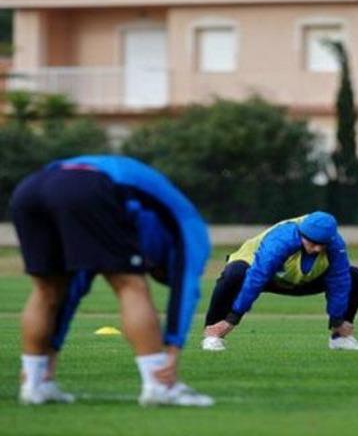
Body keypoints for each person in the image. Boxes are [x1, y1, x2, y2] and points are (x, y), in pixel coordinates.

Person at [11, 155, 214, 406]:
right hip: (86, 186)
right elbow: (187, 289)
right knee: (131, 284)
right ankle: (160, 385)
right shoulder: (190, 225)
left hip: (31, 187)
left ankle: (34, 383)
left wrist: (50, 353)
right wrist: (173, 348)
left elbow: (76, 286)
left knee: (47, 289)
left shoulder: (138, 218)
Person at [201, 211, 358, 351]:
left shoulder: (334, 244)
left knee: (355, 276)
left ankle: (339, 337)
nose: (317, 249)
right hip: (266, 276)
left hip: (303, 279)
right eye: (313, 243)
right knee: (234, 273)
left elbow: (339, 281)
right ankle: (213, 334)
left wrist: (337, 319)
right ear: (302, 234)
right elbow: (257, 277)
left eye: (322, 244)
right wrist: (232, 319)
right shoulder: (281, 240)